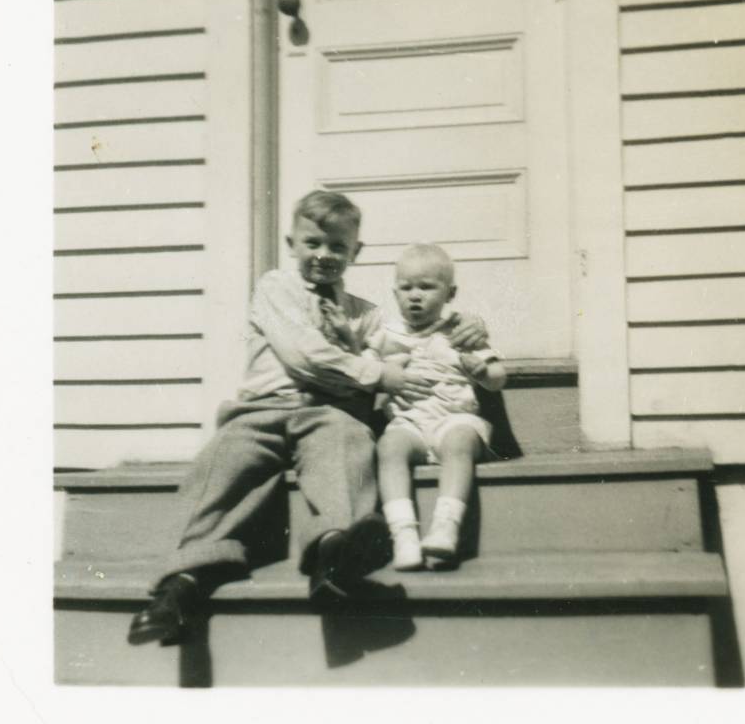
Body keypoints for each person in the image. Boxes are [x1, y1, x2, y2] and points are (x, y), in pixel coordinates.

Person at [127, 192, 486, 647]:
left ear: (355, 252)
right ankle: (179, 587)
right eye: (313, 242)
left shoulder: (367, 314)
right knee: (224, 462)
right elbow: (303, 355)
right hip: (262, 408)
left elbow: (410, 341)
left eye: (337, 246)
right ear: (291, 243)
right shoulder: (276, 287)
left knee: (348, 443)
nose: (324, 255)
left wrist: (465, 325)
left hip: (327, 413)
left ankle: (333, 555)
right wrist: (375, 374)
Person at [362, 243, 507, 571]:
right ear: (395, 293)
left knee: (460, 443)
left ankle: (445, 526)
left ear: (450, 292)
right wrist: (383, 374)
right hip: (409, 422)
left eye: (427, 287)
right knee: (388, 446)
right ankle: (404, 535)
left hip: (455, 418)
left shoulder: (461, 331)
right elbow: (363, 371)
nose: (415, 296)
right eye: (406, 288)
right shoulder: (386, 336)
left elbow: (498, 378)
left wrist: (482, 371)